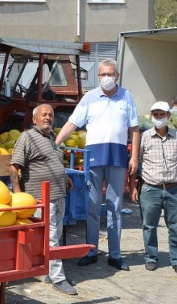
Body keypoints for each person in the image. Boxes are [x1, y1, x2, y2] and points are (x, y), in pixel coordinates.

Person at [54, 59, 139, 271]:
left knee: (115, 207)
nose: (107, 78)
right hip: (94, 158)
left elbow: (135, 129)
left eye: (111, 74)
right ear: (98, 76)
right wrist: (54, 143)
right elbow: (73, 123)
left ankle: (115, 255)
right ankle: (91, 251)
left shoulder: (126, 96)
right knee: (92, 207)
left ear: (117, 76)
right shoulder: (89, 98)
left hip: (118, 157)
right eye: (103, 74)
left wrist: (134, 157)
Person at [9, 104, 77, 295]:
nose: (48, 117)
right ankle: (59, 278)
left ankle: (48, 270)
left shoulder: (51, 138)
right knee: (52, 238)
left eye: (50, 115)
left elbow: (53, 161)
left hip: (58, 195)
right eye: (44, 115)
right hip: (40, 197)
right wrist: (18, 195)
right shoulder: (27, 137)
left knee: (54, 236)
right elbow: (14, 167)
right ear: (34, 119)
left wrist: (65, 177)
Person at [129, 101, 177, 274]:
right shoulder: (144, 138)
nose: (158, 118)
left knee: (175, 226)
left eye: (162, 115)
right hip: (150, 188)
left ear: (168, 116)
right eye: (155, 115)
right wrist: (132, 186)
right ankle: (151, 257)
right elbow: (136, 163)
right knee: (149, 226)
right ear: (152, 116)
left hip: (175, 189)